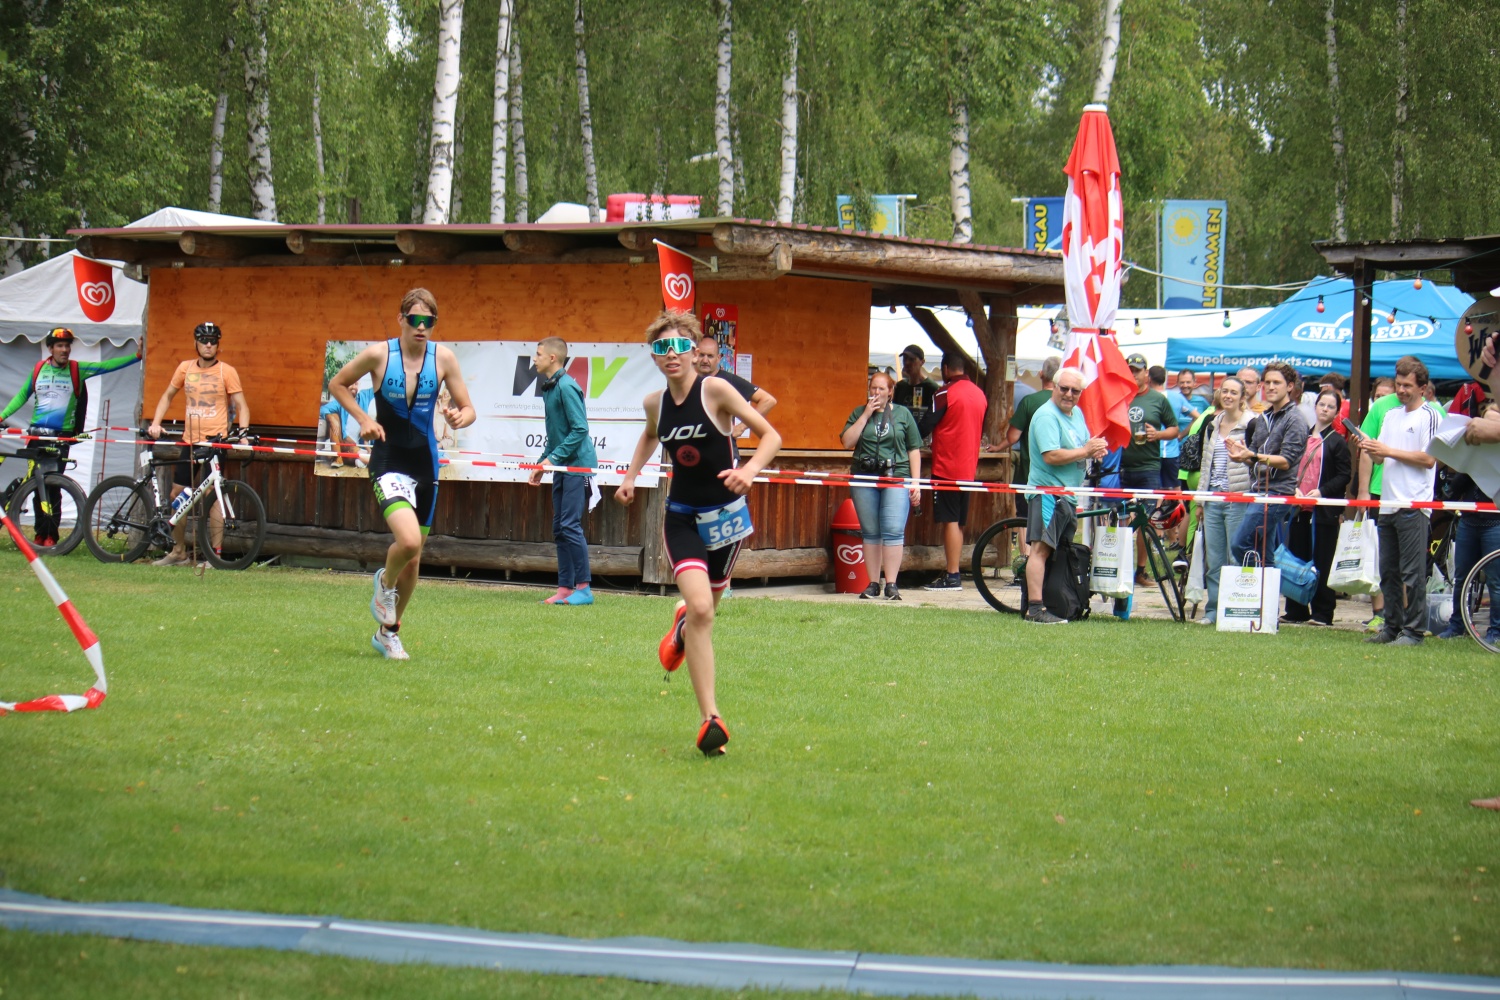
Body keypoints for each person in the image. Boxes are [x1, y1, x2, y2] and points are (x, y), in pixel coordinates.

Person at [615, 311, 782, 756]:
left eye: (678, 346)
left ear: (693, 352)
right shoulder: (655, 403)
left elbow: (771, 436)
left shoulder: (716, 390)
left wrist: (749, 470)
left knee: (705, 612)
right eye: (661, 348)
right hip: (682, 517)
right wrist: (630, 477)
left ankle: (682, 627)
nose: (671, 355)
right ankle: (711, 719)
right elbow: (650, 435)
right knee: (703, 609)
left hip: (727, 518)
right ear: (654, 357)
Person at [327, 288, 476, 661]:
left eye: (429, 321)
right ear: (401, 320)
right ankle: (384, 581)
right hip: (388, 460)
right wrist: (363, 418)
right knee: (408, 542)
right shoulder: (379, 354)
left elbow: (468, 408)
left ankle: (388, 633)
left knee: (414, 559)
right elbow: (337, 384)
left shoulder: (443, 358)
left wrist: (460, 417)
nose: (422, 327)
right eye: (415, 320)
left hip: (425, 465)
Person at [0, 327, 140, 546]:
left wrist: (137, 356)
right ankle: (40, 533)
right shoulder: (38, 369)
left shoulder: (77, 369)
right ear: (50, 348)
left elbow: (106, 366)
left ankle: (51, 536)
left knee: (53, 485)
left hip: (60, 437)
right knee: (36, 486)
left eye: (67, 346)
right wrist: (2, 416)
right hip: (36, 435)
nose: (64, 350)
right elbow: (21, 396)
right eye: (60, 346)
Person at [146, 321, 251, 567]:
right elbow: (167, 396)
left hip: (215, 442)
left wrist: (243, 433)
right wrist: (156, 423)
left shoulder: (227, 371)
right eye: (204, 340)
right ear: (195, 342)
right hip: (190, 441)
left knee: (213, 496)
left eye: (213, 341)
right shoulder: (185, 368)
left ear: (218, 345)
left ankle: (215, 556)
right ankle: (178, 552)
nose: (208, 345)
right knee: (177, 494)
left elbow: (242, 405)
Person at [1360, 357, 1440, 646]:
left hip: (1414, 505)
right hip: (1388, 503)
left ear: (1422, 388)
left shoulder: (1430, 416)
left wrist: (1387, 451)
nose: (1402, 390)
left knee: (1412, 573)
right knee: (1388, 572)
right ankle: (1392, 627)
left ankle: (1414, 631)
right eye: (1398, 384)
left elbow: (1428, 459)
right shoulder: (1391, 415)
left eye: (1407, 385)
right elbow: (1380, 458)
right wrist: (1369, 448)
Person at [1023, 368, 1107, 625]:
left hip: (1067, 495)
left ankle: (1055, 603)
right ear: (1054, 387)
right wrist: (1085, 451)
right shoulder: (1046, 416)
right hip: (1048, 493)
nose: (1069, 394)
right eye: (1064, 388)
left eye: (1075, 391)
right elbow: (1051, 455)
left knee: (1057, 553)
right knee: (1040, 550)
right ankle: (1034, 609)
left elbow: (1081, 445)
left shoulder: (1077, 413)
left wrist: (1094, 450)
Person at [840, 371, 923, 600]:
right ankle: (873, 583)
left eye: (881, 389)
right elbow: (847, 442)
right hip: (864, 477)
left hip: (897, 476)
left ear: (890, 391)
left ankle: (892, 584)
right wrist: (866, 414)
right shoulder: (859, 412)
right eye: (873, 388)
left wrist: (916, 483)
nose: (876, 393)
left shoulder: (903, 414)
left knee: (893, 530)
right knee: (870, 531)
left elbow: (914, 449)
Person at [528, 336, 597, 606]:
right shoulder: (550, 387)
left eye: (538, 354)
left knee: (569, 525)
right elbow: (556, 435)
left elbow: (580, 429)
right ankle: (565, 588)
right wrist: (541, 464)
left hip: (577, 466)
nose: (534, 358)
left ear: (552, 358)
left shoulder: (567, 386)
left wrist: (553, 458)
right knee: (559, 528)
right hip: (562, 465)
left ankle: (584, 589)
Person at [1226, 362, 1308, 565]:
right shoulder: (1263, 418)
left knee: (1240, 544)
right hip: (1258, 491)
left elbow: (1286, 461)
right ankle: (1268, 583)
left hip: (1277, 493)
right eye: (1267, 382)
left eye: (1276, 383)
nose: (1270, 387)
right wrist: (1241, 456)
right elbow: (1253, 456)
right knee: (1265, 554)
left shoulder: (1296, 419)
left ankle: (1254, 581)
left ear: (1290, 386)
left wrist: (1252, 456)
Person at [1281, 388, 1351, 626]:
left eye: (1331, 407)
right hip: (1299, 508)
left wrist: (1322, 491)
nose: (1325, 409)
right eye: (1322, 405)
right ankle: (1296, 609)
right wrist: (1294, 489)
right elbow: (1291, 466)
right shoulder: (1303, 436)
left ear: (1337, 412)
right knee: (1296, 558)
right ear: (1316, 406)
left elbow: (1344, 475)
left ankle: (1322, 612)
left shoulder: (1337, 442)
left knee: (1322, 560)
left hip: (1323, 511)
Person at [919, 353, 988, 590]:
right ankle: (954, 572)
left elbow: (925, 425)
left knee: (949, 520)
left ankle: (952, 575)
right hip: (969, 466)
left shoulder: (943, 393)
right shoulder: (979, 394)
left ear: (946, 369)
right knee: (958, 522)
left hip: (946, 465)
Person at [1437, 398, 1500, 642]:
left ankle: (1496, 631)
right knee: (1461, 577)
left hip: (1494, 523)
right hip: (1468, 521)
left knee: (1495, 580)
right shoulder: (1474, 453)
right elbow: (1455, 487)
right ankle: (1457, 625)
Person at [1197, 376, 1253, 626]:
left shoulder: (1251, 424)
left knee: (1235, 556)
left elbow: (1255, 461)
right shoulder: (1213, 424)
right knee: (1214, 560)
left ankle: (1235, 609)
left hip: (1238, 498)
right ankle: (1213, 611)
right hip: (1212, 497)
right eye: (1225, 391)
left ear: (1242, 397)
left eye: (1234, 392)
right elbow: (1205, 464)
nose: (1228, 396)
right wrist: (1200, 500)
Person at [1121, 353, 1177, 587]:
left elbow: (1174, 429)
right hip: (1121, 468)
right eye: (1130, 370)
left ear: (1146, 373)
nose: (1133, 374)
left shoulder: (1158, 399)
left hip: (1149, 467)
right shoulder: (1119, 396)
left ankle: (1141, 571)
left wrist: (1158, 434)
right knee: (1120, 520)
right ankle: (1119, 569)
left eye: (1137, 370)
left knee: (1146, 521)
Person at [1006, 356, 1061, 558]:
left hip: (1030, 470)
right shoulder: (1066, 406)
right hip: (1058, 473)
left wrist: (998, 446)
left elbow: (1013, 436)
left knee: (1024, 516)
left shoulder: (1030, 401)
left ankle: (1025, 559)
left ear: (1041, 374)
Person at [693, 335, 777, 439]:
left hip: (724, 446)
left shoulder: (729, 380)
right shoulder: (687, 382)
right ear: (695, 355)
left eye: (710, 356)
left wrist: (741, 427)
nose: (705, 360)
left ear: (718, 358)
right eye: (701, 355)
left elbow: (768, 400)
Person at [893, 344, 942, 424]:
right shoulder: (900, 386)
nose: (907, 363)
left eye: (912, 359)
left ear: (922, 362)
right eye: (905, 359)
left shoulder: (931, 388)